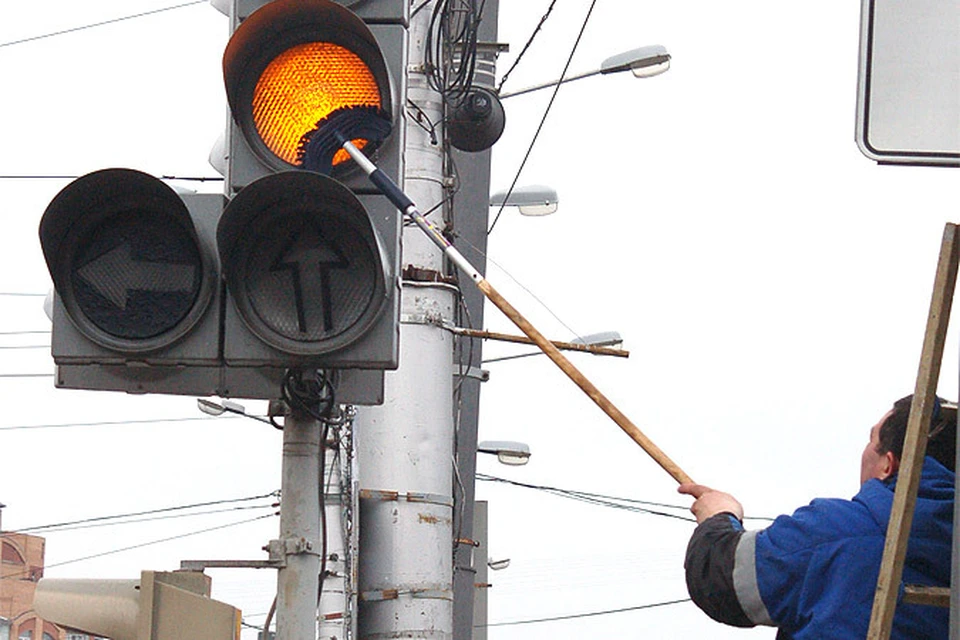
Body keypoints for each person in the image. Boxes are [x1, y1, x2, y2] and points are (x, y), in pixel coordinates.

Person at [679, 395, 955, 639]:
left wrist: (718, 515)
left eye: (872, 439)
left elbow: (721, 578)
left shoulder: (841, 533)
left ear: (887, 464)